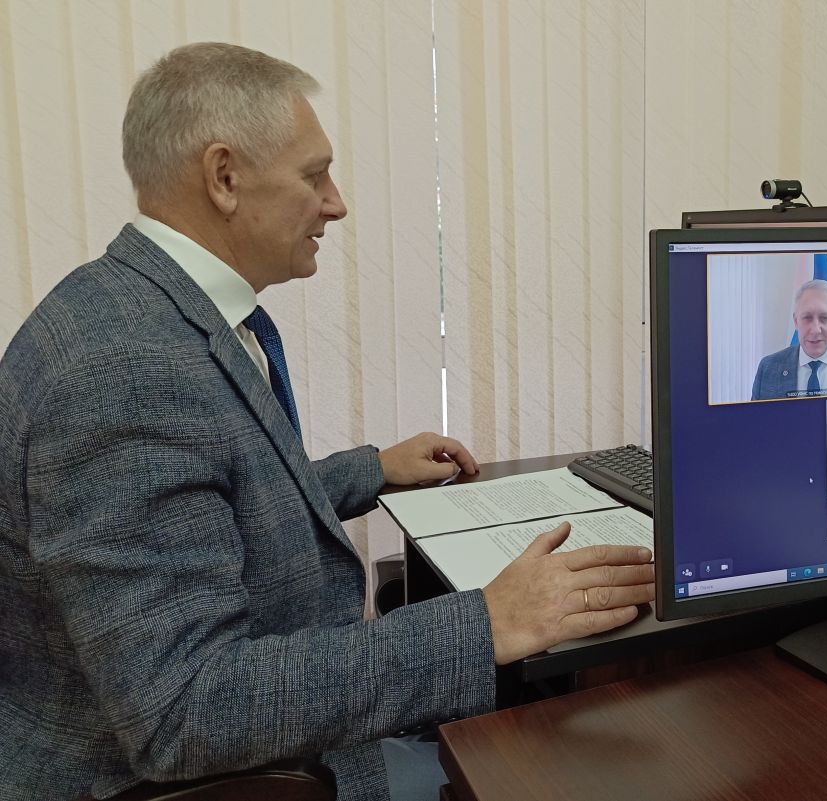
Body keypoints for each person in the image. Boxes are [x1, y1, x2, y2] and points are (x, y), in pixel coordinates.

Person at [0, 43, 654, 801]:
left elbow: (207, 501)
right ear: (223, 177)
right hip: (206, 780)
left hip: (264, 748)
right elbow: (184, 713)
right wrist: (486, 623)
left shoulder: (139, 310)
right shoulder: (123, 371)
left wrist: (367, 470)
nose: (335, 203)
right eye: (315, 175)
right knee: (570, 768)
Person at [750, 279, 827, 400]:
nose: (815, 329)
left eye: (824, 318)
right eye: (807, 317)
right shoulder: (768, 369)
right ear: (796, 321)